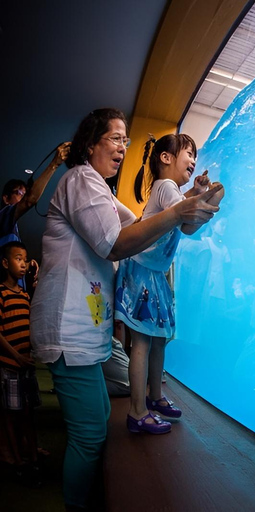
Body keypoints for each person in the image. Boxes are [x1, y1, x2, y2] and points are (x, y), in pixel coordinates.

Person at [29, 108, 221, 511]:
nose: (122, 147)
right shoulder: (80, 179)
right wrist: (178, 211)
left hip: (86, 333)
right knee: (89, 435)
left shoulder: (99, 189)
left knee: (99, 413)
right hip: (68, 331)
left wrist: (188, 202)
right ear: (89, 143)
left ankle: (137, 413)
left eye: (125, 140)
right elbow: (115, 244)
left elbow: (140, 224)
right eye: (116, 138)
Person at [114, 133, 224, 435]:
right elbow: (187, 223)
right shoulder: (165, 186)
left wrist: (196, 192)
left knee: (158, 338)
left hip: (153, 273)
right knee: (142, 342)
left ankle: (155, 396)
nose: (193, 160)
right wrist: (207, 200)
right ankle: (137, 411)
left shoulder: (171, 190)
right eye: (188, 153)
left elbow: (183, 212)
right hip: (143, 271)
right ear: (166, 158)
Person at [0, 142, 70, 293]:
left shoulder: (12, 232)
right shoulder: (3, 217)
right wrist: (54, 164)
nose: (23, 197)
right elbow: (30, 201)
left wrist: (27, 267)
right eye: (19, 193)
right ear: (5, 198)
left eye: (24, 194)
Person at [0, 241, 42, 487]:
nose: (23, 264)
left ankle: (33, 458)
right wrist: (16, 356)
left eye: (25, 260)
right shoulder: (1, 294)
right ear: (5, 263)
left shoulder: (25, 295)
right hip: (10, 367)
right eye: (18, 259)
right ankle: (17, 461)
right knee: (10, 415)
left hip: (27, 368)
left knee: (28, 414)